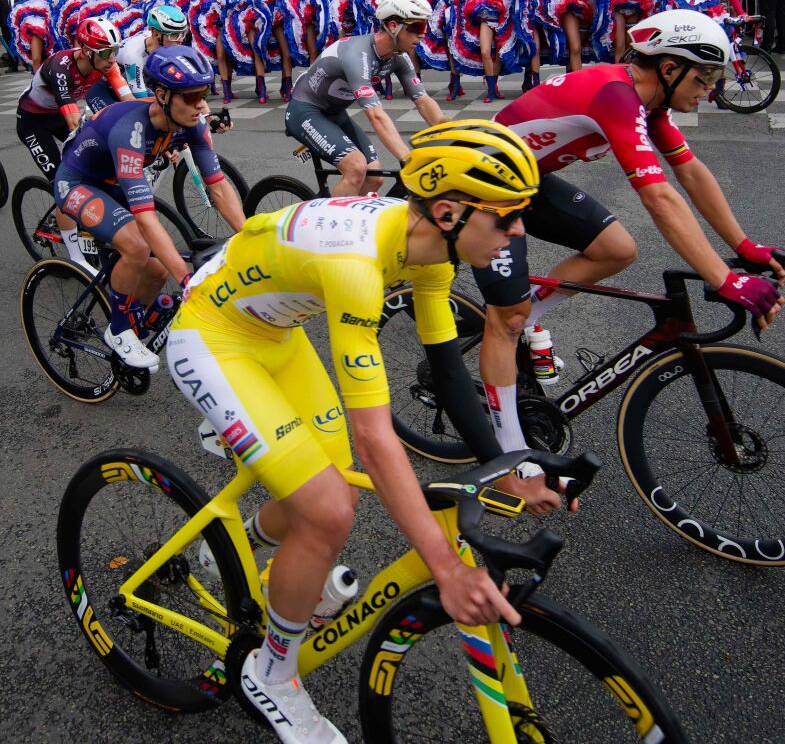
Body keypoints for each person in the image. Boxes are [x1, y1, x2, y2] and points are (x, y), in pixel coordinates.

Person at [167, 121, 567, 744]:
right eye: (508, 216)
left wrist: (517, 467)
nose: (521, 231)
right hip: (211, 335)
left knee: (334, 497)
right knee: (327, 509)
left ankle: (229, 550)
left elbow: (447, 369)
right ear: (448, 210)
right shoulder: (358, 264)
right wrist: (446, 567)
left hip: (276, 333)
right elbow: (379, 440)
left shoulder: (430, 246)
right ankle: (270, 676)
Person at [470, 10, 783, 461]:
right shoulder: (617, 95)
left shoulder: (650, 102)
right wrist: (725, 279)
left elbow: (691, 174)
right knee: (507, 318)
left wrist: (745, 248)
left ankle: (529, 314)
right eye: (705, 75)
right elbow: (659, 198)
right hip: (479, 186)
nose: (711, 86)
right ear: (670, 69)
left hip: (522, 178)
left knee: (616, 248)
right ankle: (509, 452)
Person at [53, 45, 246, 372]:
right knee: (137, 246)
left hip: (111, 182)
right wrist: (186, 278)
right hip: (77, 182)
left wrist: (251, 234)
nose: (201, 104)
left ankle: (136, 318)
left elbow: (218, 185)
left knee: (155, 271)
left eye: (204, 94)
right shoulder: (131, 129)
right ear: (162, 95)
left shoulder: (194, 123)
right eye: (191, 96)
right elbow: (144, 217)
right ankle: (119, 330)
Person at [284, 0, 444, 196]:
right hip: (305, 111)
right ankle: (329, 223)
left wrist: (449, 133)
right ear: (393, 26)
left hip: (334, 113)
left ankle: (355, 223)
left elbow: (423, 101)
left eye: (426, 26)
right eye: (417, 26)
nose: (423, 34)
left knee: (374, 177)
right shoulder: (357, 55)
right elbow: (376, 116)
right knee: (356, 167)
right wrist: (408, 158)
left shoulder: (399, 57)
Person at [16, 18, 133, 271]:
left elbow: (129, 102)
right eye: (106, 53)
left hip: (57, 116)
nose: (113, 59)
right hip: (34, 123)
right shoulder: (61, 66)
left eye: (115, 51)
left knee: (99, 168)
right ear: (88, 52)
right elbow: (72, 122)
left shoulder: (106, 65)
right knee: (65, 182)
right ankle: (75, 259)